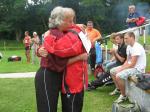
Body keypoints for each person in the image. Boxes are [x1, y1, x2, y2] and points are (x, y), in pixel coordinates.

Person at [35, 6, 88, 112]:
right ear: (60, 22)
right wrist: (80, 57)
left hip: (59, 75)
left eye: (73, 21)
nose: (73, 23)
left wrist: (39, 50)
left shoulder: (64, 32)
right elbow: (58, 61)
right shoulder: (52, 35)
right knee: (47, 109)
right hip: (48, 74)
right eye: (70, 21)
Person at [110, 32, 146, 103]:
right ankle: (118, 89)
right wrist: (121, 67)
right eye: (124, 38)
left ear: (132, 37)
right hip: (131, 67)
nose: (125, 40)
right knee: (112, 71)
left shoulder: (137, 47)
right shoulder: (129, 46)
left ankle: (123, 95)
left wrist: (121, 69)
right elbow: (127, 60)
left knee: (118, 75)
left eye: (126, 38)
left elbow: (132, 64)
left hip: (138, 69)